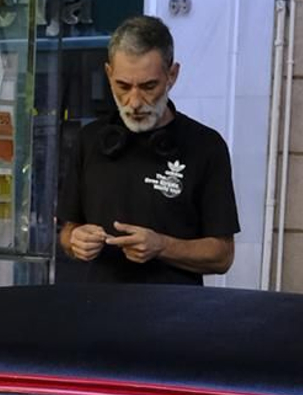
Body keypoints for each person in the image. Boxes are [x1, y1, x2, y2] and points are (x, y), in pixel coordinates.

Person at [56, 16, 238, 284]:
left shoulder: (206, 146)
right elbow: (67, 230)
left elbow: (222, 256)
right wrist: (74, 240)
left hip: (175, 316)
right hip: (97, 311)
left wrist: (162, 246)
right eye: (123, 86)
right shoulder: (89, 140)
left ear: (172, 75)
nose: (135, 101)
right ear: (108, 74)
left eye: (148, 86)